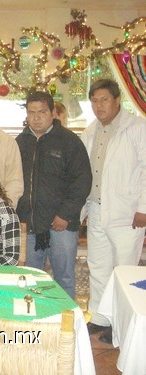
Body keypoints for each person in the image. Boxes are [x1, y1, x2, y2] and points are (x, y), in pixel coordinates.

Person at [80, 79, 146, 341]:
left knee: (123, 270)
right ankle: (100, 317)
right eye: (94, 101)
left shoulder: (138, 128)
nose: (99, 105)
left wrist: (143, 208)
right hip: (96, 209)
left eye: (104, 99)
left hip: (127, 213)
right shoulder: (92, 130)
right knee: (98, 266)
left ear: (117, 100)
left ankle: (120, 326)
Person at [16, 91, 92, 298]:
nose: (36, 117)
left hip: (62, 226)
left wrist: (65, 214)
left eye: (41, 112)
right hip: (30, 225)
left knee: (64, 277)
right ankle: (36, 322)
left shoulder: (69, 142)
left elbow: (82, 181)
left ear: (52, 113)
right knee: (30, 278)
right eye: (31, 112)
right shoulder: (19, 143)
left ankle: (65, 324)